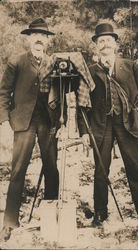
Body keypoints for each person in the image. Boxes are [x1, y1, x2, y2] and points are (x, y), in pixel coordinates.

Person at [78, 22, 138, 227]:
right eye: (101, 41)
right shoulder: (89, 70)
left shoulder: (129, 65)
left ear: (115, 43)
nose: (105, 44)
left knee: (135, 168)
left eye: (108, 40)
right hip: (100, 125)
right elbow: (83, 104)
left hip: (127, 123)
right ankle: (100, 213)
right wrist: (84, 132)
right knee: (100, 170)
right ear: (96, 46)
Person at [0, 18, 60, 241]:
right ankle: (9, 222)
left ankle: (50, 216)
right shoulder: (16, 62)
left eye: (43, 36)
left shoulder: (54, 62)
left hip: (48, 123)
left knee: (52, 168)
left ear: (47, 41)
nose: (39, 39)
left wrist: (60, 121)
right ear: (28, 38)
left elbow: (63, 91)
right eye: (35, 35)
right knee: (18, 171)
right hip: (23, 123)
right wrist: (5, 122)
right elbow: (3, 93)